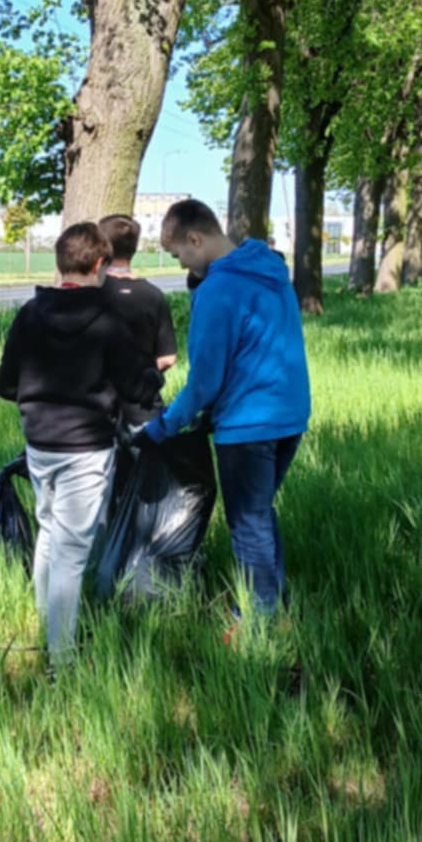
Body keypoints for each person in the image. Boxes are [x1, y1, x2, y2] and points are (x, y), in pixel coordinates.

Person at [141, 197, 311, 616]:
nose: (181, 265)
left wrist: (165, 426)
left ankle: (259, 620)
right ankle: (277, 604)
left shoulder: (218, 289)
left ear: (195, 239)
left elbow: (205, 381)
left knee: (248, 524)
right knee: (259, 514)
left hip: (247, 424)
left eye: (178, 254)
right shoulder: (270, 268)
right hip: (289, 414)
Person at [0, 221, 152, 665]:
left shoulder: (30, 313)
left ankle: (47, 625)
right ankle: (60, 660)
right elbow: (135, 386)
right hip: (87, 448)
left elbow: (5, 383)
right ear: (100, 264)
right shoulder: (110, 320)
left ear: (60, 261)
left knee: (49, 533)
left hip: (39, 442)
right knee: (71, 552)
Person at [97, 212, 177, 422]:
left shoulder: (91, 294)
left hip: (97, 410)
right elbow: (168, 358)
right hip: (144, 407)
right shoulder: (154, 295)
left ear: (101, 247)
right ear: (134, 248)